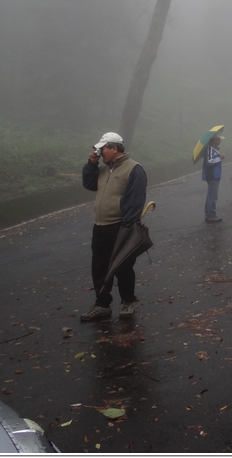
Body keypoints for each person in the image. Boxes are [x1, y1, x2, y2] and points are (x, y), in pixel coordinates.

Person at [81, 132, 147, 321]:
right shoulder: (104, 169)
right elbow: (89, 184)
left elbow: (135, 200)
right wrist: (92, 164)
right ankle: (102, 304)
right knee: (99, 267)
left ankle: (127, 302)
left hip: (120, 226)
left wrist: (127, 226)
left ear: (114, 148)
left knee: (123, 266)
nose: (100, 152)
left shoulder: (134, 169)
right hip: (100, 226)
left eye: (103, 149)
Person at [203, 133, 225, 222]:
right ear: (214, 140)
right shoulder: (210, 149)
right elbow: (209, 161)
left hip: (215, 175)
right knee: (212, 196)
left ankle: (209, 214)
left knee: (211, 195)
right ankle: (211, 215)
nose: (220, 141)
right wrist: (220, 158)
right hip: (212, 175)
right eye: (218, 139)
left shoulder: (214, 149)